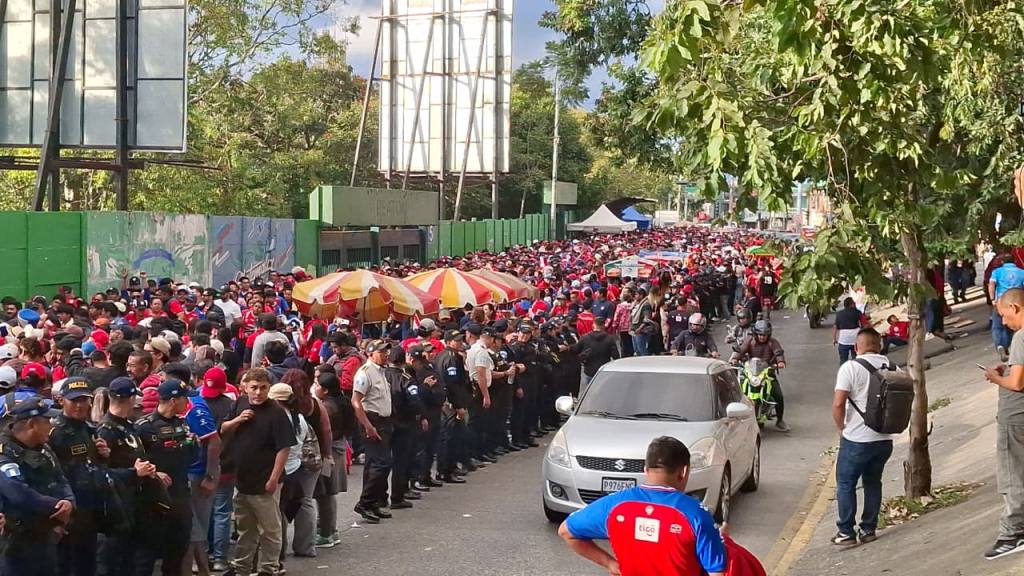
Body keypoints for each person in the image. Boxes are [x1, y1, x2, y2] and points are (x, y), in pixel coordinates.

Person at [558, 436, 727, 576]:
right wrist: (721, 542)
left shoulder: (616, 505)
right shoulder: (696, 514)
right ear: (683, 471)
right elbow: (716, 572)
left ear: (646, 470)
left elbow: (565, 531)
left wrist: (610, 564)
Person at [219, 368, 296, 576]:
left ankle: (269, 568)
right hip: (242, 479)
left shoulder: (276, 412)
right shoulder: (239, 404)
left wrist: (274, 478)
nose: (259, 392)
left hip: (265, 481)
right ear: (245, 387)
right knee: (245, 528)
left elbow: (284, 447)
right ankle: (241, 566)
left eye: (263, 388)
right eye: (254, 388)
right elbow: (223, 428)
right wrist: (238, 420)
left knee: (270, 529)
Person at [830, 328, 894, 546]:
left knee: (846, 483)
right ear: (880, 345)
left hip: (856, 439)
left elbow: (838, 403)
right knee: (873, 482)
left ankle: (846, 532)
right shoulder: (893, 367)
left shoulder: (850, 367)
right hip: (884, 439)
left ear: (856, 348)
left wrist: (841, 428)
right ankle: (868, 529)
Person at [0, 396, 74, 576]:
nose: (51, 425)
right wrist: (56, 506)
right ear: (32, 424)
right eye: (47, 421)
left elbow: (60, 477)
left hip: (44, 536)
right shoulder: (6, 452)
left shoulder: (43, 447)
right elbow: (18, 493)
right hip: (16, 540)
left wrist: (69, 501)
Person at [95, 377, 159, 576]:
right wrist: (134, 473)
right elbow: (100, 474)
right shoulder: (106, 431)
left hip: (136, 503)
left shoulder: (128, 425)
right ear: (131, 399)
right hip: (117, 508)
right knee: (117, 563)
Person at [134, 379, 197, 576]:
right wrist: (154, 472)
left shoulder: (182, 423)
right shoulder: (144, 427)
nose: (188, 402)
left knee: (177, 550)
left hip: (180, 494)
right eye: (184, 398)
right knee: (147, 554)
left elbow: (192, 457)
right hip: (154, 498)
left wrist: (193, 444)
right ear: (173, 400)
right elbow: (133, 460)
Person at [48, 376, 109, 576]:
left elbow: (92, 466)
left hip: (89, 509)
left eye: (84, 400)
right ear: (61, 400)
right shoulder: (54, 432)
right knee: (64, 566)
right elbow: (49, 475)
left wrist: (103, 456)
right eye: (74, 400)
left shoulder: (89, 428)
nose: (80, 405)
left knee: (87, 564)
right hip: (66, 509)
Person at [982, 287, 1024, 559]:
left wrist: (995, 377)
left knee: (1012, 473)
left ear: (1016, 308)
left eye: (1004, 316)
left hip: (1016, 417)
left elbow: (1017, 383)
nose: (1004, 323)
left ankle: (1013, 532)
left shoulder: (1021, 337)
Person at [351, 340, 395, 523]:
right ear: (371, 353)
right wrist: (368, 426)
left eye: (387, 351)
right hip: (372, 421)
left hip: (384, 421)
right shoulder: (365, 373)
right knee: (381, 463)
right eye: (382, 352)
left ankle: (374, 502)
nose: (386, 354)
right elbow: (356, 401)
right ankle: (365, 502)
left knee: (376, 465)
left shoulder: (381, 372)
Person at [731, 320, 789, 432]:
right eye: (760, 334)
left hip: (768, 374)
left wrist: (780, 362)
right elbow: (741, 351)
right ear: (755, 333)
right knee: (737, 393)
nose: (762, 337)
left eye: (765, 335)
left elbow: (778, 353)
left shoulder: (773, 342)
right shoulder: (750, 341)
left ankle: (780, 420)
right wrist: (735, 359)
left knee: (779, 396)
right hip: (752, 373)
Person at [989, 256, 1024, 362]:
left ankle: (1000, 346)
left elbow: (991, 284)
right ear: (1014, 261)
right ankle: (1006, 346)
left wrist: (992, 299)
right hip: (1016, 299)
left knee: (997, 326)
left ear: (1002, 262)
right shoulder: (1021, 272)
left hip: (1001, 302)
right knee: (1010, 328)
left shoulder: (997, 271)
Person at [573, 316, 619, 389]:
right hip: (603, 369)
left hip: (589, 370)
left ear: (593, 324)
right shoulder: (610, 339)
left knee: (590, 391)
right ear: (604, 325)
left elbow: (575, 351)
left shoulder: (584, 338)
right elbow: (616, 356)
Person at [833, 297, 867, 365]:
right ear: (851, 304)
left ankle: (844, 373)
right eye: (854, 303)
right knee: (857, 359)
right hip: (855, 339)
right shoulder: (858, 312)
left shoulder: (839, 314)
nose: (855, 304)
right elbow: (864, 324)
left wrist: (834, 338)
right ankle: (856, 373)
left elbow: (835, 327)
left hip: (843, 340)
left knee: (843, 360)